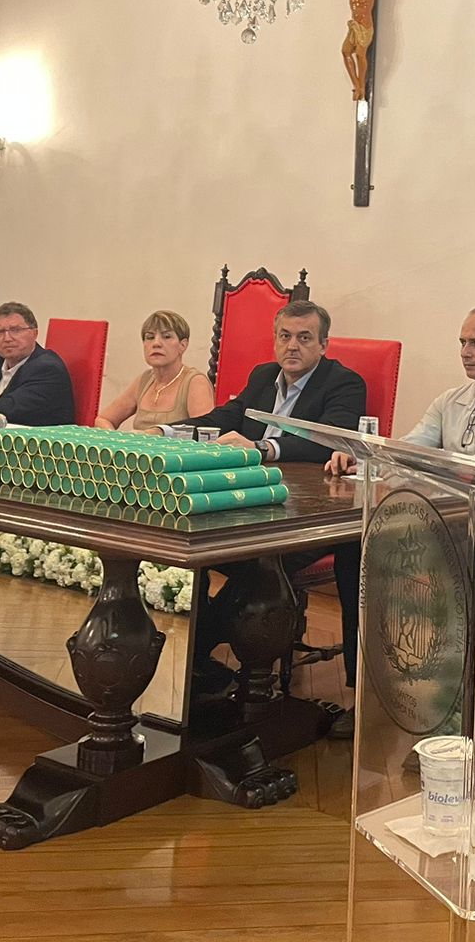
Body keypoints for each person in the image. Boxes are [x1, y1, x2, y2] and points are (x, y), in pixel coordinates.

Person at [168, 300, 366, 734]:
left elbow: (328, 440)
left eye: (304, 338)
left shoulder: (344, 383)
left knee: (253, 565)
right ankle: (199, 667)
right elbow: (226, 417)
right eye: (285, 336)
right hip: (250, 501)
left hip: (308, 514)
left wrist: (262, 448)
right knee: (189, 551)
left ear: (323, 344)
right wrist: (170, 432)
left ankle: (202, 661)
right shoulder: (263, 376)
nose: (292, 346)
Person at [327, 304, 475, 586]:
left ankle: (419, 615)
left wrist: (424, 469)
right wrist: (363, 459)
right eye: (462, 342)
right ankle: (364, 621)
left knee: (437, 556)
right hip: (447, 522)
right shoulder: (448, 401)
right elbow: (409, 451)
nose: (465, 352)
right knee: (358, 546)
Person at [94, 310, 215, 430]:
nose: (156, 343)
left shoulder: (195, 382)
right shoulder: (144, 380)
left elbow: (204, 433)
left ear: (183, 345)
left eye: (166, 337)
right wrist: (116, 439)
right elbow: (103, 419)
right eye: (150, 337)